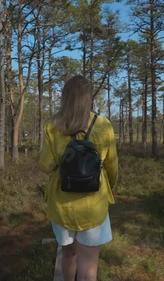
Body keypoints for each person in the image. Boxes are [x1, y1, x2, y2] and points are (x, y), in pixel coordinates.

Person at [39, 75, 118, 281]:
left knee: (68, 254)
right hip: (93, 205)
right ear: (88, 97)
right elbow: (112, 166)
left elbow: (46, 165)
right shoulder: (103, 125)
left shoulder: (53, 126)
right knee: (88, 264)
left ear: (65, 97)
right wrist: (110, 187)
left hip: (62, 205)